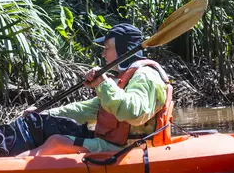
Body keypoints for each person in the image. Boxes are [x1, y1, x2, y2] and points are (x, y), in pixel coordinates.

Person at [24, 23, 174, 156]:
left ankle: (15, 166)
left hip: (133, 150)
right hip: (116, 145)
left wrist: (103, 83)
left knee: (56, 142)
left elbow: (133, 113)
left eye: (107, 48)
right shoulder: (127, 77)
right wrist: (43, 115)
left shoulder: (145, 76)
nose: (103, 54)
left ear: (122, 50)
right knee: (54, 135)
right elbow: (87, 110)